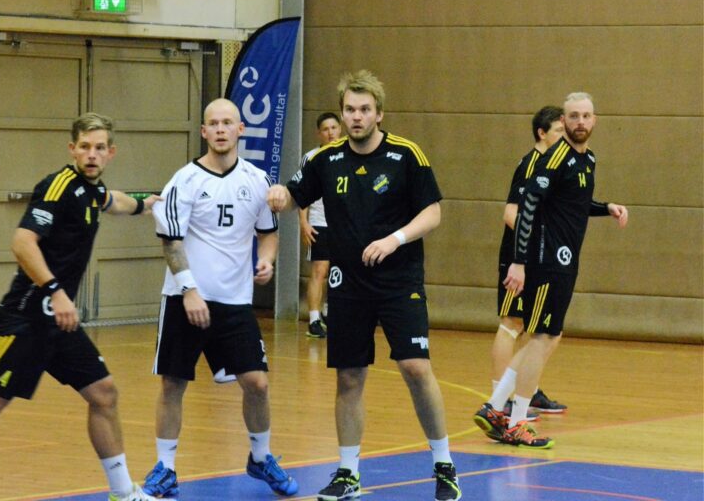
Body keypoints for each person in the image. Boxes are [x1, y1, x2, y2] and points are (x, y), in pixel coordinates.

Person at [0, 113, 162, 501]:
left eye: (100, 148)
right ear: (72, 149)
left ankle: (123, 493)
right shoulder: (58, 187)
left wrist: (145, 205)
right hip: (26, 317)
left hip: (60, 323)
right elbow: (22, 242)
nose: (92, 154)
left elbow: (115, 202)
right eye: (85, 147)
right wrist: (56, 291)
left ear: (111, 152)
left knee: (104, 393)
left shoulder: (93, 190)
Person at [268, 70, 461, 501]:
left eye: (364, 110)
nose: (356, 117)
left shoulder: (406, 154)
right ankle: (348, 473)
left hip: (399, 282)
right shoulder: (325, 160)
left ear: (379, 114)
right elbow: (294, 195)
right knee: (350, 377)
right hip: (348, 284)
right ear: (342, 113)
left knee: (416, 368)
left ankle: (444, 465)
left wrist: (395, 239)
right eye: (350, 110)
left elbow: (432, 213)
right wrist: (281, 196)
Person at [142, 98, 298, 498]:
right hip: (185, 299)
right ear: (204, 132)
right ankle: (165, 467)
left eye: (228, 122)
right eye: (213, 123)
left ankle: (260, 457)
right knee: (173, 383)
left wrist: (266, 260)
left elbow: (268, 233)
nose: (221, 129)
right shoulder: (184, 181)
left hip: (234, 302)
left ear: (240, 129)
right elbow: (171, 243)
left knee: (257, 383)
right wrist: (190, 290)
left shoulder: (256, 180)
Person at [474, 92, 629, 448]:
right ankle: (515, 420)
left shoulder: (587, 159)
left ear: (594, 120)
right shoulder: (554, 158)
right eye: (573, 116)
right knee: (540, 336)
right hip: (547, 260)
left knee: (548, 337)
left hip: (566, 259)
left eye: (585, 116)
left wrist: (606, 207)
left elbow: (573, 203)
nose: (580, 122)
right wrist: (519, 261)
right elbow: (526, 205)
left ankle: (495, 406)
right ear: (564, 120)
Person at [492, 106, 568, 421]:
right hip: (518, 258)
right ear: (542, 133)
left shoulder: (552, 165)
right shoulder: (531, 164)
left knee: (534, 327)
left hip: (537, 260)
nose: (563, 137)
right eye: (559, 132)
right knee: (511, 324)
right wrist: (532, 245)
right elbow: (511, 213)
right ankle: (500, 398)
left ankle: (528, 389)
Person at [300, 112, 342, 338]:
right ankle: (314, 319)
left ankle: (329, 311)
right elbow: (303, 192)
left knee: (338, 271)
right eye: (325, 129)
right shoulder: (311, 158)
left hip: (343, 224)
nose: (330, 133)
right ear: (319, 133)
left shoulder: (349, 154)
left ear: (340, 129)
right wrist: (303, 222)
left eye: (334, 128)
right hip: (319, 222)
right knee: (320, 269)